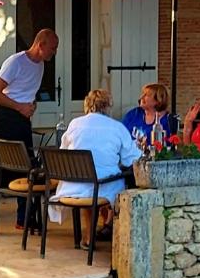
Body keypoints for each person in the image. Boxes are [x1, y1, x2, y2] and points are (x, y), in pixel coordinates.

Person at [0, 29, 59, 237]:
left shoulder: (41, 65)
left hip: (22, 119)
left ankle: (24, 218)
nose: (54, 52)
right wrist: (19, 107)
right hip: (3, 118)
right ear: (40, 44)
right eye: (52, 48)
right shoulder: (15, 62)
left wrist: (30, 106)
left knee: (27, 167)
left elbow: (27, 93)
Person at [50, 89, 141, 246]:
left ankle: (89, 236)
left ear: (87, 105)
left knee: (92, 182)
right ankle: (114, 234)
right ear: (108, 106)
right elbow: (131, 159)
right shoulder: (116, 127)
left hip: (73, 185)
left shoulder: (74, 124)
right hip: (103, 185)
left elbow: (63, 151)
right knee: (113, 182)